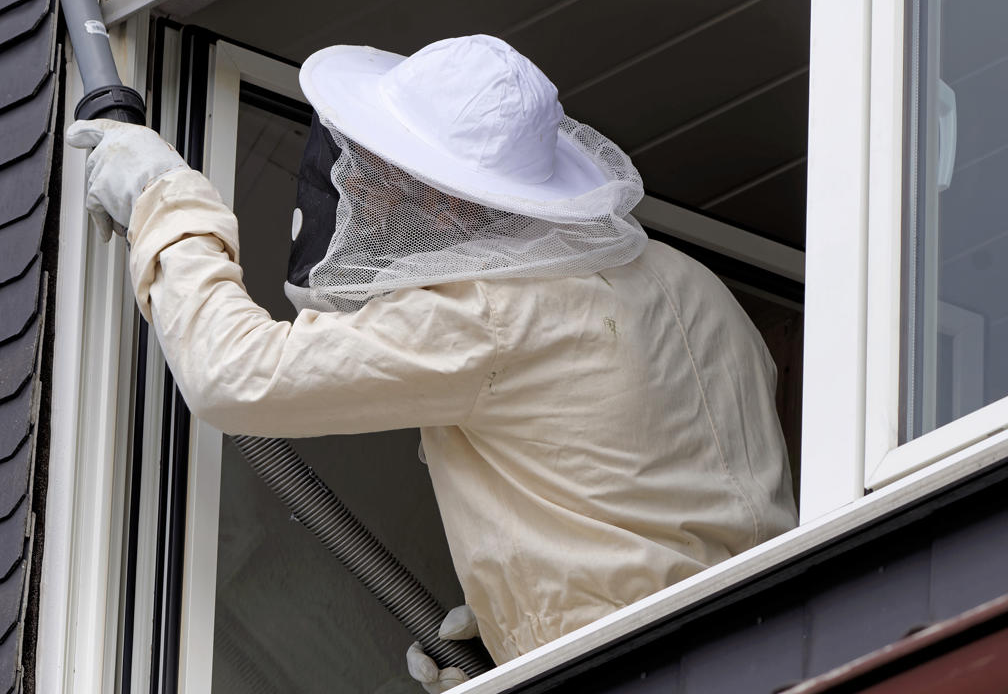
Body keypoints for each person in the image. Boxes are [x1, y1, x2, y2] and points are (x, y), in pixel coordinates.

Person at [66, 34, 797, 692]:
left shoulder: (491, 311)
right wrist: (519, 635)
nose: (365, 202)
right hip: (781, 645)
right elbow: (657, 515)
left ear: (446, 207)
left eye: (388, 182)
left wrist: (161, 198)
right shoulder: (691, 284)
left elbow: (233, 374)